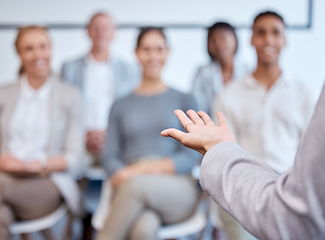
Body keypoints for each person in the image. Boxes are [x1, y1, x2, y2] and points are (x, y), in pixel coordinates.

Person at [161, 84, 325, 239]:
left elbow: (295, 218)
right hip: (245, 178)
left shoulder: (303, 93)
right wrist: (221, 148)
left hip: (260, 179)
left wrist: (219, 148)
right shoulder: (230, 94)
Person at [209, 11, 315, 240]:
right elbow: (222, 153)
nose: (268, 40)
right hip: (242, 190)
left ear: (284, 40)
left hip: (290, 190)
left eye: (275, 33)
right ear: (251, 39)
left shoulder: (303, 93)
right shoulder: (229, 95)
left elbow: (311, 152)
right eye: (261, 33)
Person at [95, 27, 200, 240]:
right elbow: (109, 156)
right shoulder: (120, 105)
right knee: (143, 229)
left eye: (159, 49)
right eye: (146, 49)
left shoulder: (185, 99)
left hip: (175, 186)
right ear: (136, 53)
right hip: (129, 187)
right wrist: (124, 174)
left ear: (168, 52)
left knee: (135, 187)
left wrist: (137, 172)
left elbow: (192, 156)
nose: (153, 56)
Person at [0, 26, 84, 240]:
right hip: (6, 176)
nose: (37, 54)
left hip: (47, 182)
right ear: (19, 54)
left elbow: (74, 157)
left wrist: (37, 165)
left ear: (51, 50)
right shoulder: (4, 94)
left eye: (42, 47)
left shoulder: (70, 96)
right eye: (29, 48)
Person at [61, 12, 139, 165]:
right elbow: (62, 110)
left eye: (105, 28)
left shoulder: (130, 70)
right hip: (78, 140)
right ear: (88, 31)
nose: (100, 33)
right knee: (69, 169)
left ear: (114, 32)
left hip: (117, 142)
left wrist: (109, 136)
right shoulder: (69, 68)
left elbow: (132, 110)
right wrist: (83, 135)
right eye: (96, 28)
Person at [192, 22, 247, 115]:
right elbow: (196, 104)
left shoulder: (248, 70)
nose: (218, 43)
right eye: (213, 40)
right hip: (211, 125)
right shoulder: (203, 72)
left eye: (223, 38)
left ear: (235, 40)